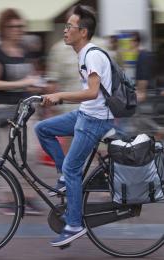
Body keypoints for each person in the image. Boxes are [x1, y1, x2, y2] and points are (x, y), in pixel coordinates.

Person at [35, 4, 117, 246]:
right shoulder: (83, 54)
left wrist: (60, 95)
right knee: (42, 128)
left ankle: (73, 224)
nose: (65, 30)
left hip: (94, 120)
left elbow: (92, 93)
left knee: (73, 168)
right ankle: (64, 178)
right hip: (85, 114)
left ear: (83, 31)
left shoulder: (91, 54)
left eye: (69, 26)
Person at [0, 8, 47, 215]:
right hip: (6, 112)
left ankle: (28, 196)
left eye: (20, 26)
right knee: (8, 155)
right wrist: (21, 82)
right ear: (4, 28)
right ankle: (10, 200)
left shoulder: (24, 50)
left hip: (26, 110)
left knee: (31, 152)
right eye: (12, 26)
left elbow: (31, 77)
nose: (17, 30)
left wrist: (36, 86)